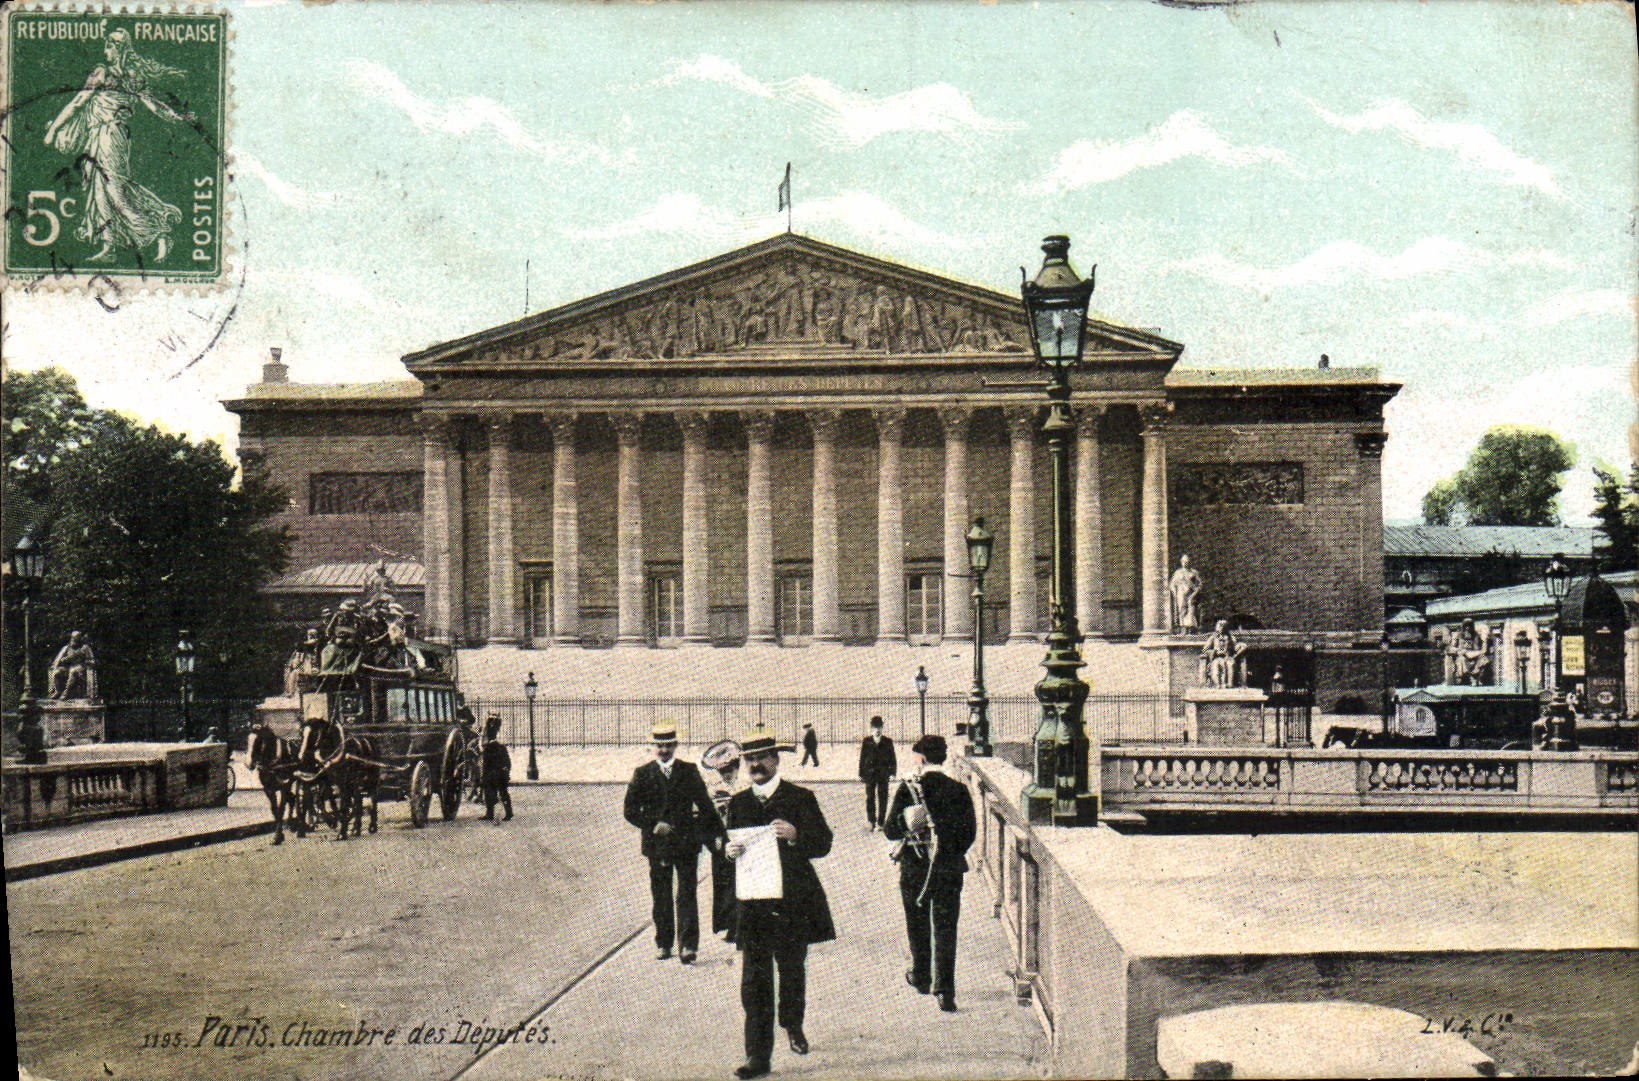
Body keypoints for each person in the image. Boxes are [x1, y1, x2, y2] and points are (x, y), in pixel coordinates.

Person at [723, 726, 835, 1080]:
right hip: (753, 903)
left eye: (761, 758)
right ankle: (758, 1055)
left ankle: (793, 1024)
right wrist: (727, 851)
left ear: (776, 759)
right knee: (754, 979)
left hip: (793, 904)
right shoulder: (738, 803)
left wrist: (796, 835)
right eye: (749, 759)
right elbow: (728, 849)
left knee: (790, 970)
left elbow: (824, 842)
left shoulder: (800, 798)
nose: (755, 765)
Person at [42, 28, 195, 263]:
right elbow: (78, 101)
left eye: (109, 46)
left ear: (119, 48)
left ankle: (157, 234)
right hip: (97, 136)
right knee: (99, 190)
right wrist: (53, 129)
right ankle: (109, 244)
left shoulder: (128, 77)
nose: (106, 51)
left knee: (114, 189)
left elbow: (154, 105)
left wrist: (177, 117)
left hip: (113, 135)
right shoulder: (104, 73)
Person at [883, 734, 976, 1013]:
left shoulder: (909, 788)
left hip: (915, 867)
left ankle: (922, 977)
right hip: (949, 869)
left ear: (922, 758)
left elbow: (890, 830)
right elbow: (969, 834)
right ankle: (945, 991)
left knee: (917, 922)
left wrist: (907, 822)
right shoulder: (959, 789)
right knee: (946, 928)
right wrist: (948, 852)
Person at [624, 722, 721, 965]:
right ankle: (664, 943)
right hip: (657, 845)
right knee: (661, 895)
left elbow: (706, 806)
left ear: (676, 745)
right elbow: (630, 811)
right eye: (659, 745)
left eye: (668, 745)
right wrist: (652, 823)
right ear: (653, 747)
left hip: (686, 842)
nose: (664, 750)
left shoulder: (689, 771)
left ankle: (688, 945)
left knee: (687, 893)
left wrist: (718, 834)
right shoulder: (642, 773)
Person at [701, 739, 745, 944]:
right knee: (725, 886)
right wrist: (715, 840)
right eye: (722, 770)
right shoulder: (714, 789)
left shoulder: (746, 785)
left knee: (743, 885)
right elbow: (708, 819)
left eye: (729, 769)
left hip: (744, 841)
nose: (726, 774)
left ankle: (740, 926)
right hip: (722, 842)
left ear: (737, 766)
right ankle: (730, 925)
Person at [857, 716, 896, 831]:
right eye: (875, 728)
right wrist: (861, 773)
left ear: (882, 728)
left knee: (883, 797)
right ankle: (871, 821)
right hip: (870, 773)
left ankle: (881, 822)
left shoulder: (888, 741)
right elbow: (862, 757)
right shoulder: (867, 741)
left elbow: (893, 758)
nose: (877, 730)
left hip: (883, 773)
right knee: (870, 797)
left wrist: (893, 772)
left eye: (879, 727)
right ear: (871, 728)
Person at [481, 715, 513, 822]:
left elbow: (486, 764)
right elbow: (507, 763)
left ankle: (491, 813)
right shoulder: (500, 747)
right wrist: (506, 771)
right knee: (501, 793)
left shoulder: (488, 749)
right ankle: (508, 812)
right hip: (498, 774)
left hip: (493, 774)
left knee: (493, 794)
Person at [48, 631, 97, 700]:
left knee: (73, 671)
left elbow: (92, 661)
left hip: (81, 669)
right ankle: (58, 691)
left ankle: (66, 693)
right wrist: (64, 659)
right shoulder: (67, 648)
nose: (74, 640)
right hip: (68, 667)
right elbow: (60, 660)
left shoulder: (85, 648)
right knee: (57, 672)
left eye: (76, 638)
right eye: (73, 638)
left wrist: (85, 661)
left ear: (80, 638)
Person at [1168, 554, 1203, 635]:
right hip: (1181, 594)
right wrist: (1175, 593)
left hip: (1191, 594)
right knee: (1182, 610)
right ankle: (1183, 629)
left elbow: (1200, 584)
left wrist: (1195, 592)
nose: (1185, 563)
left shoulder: (1194, 572)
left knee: (1191, 610)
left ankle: (1191, 630)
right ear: (1181, 562)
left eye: (1187, 561)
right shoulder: (1178, 573)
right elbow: (1172, 584)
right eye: (1183, 561)